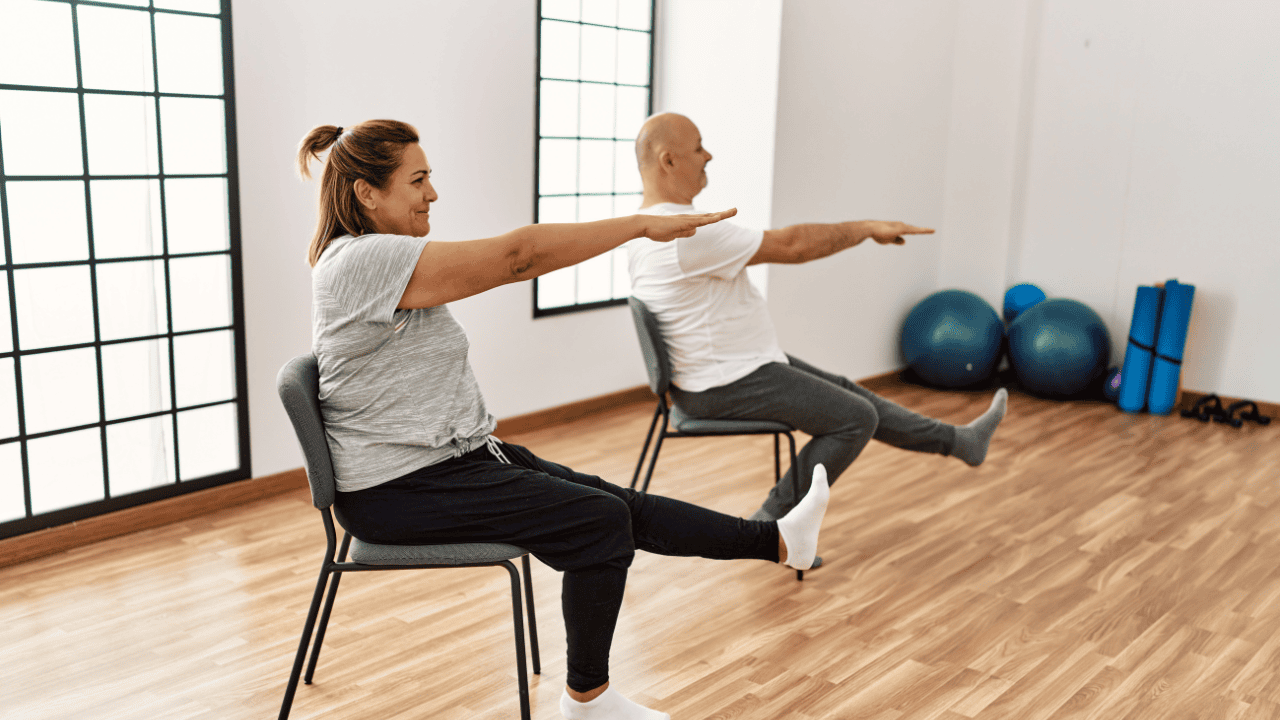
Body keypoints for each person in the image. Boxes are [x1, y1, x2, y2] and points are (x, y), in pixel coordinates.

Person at [298, 119, 831, 720]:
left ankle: (782, 540)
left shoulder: (389, 258)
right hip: (397, 489)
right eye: (418, 180)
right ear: (368, 193)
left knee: (619, 504)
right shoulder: (358, 262)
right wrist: (639, 224)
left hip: (454, 461)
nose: (433, 193)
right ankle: (587, 700)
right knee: (599, 523)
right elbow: (517, 256)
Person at [627, 113, 1008, 523]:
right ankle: (767, 525)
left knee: (850, 395)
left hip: (732, 368)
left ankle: (960, 441)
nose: (709, 155)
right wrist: (866, 228)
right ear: (668, 161)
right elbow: (793, 246)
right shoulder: (687, 233)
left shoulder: (649, 229)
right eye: (699, 146)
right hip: (725, 381)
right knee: (854, 418)